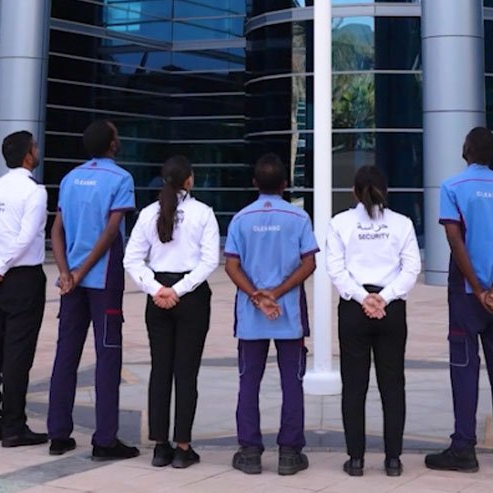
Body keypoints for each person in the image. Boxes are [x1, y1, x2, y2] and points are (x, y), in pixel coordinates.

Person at [426, 126, 493, 474]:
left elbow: (456, 242)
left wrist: (479, 289)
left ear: (465, 150)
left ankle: (463, 448)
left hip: (467, 296)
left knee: (465, 369)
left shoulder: (453, 187)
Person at [48, 119, 141, 461]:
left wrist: (65, 272)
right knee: (107, 358)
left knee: (66, 354)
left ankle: (58, 434)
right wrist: (81, 271)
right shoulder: (121, 179)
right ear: (112, 144)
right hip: (101, 281)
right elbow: (109, 233)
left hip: (71, 281)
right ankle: (105, 440)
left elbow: (56, 230)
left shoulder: (70, 178)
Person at [222, 153, 318, 477]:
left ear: (254, 184)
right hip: (288, 312)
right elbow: (309, 263)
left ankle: (249, 451)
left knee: (249, 381)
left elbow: (231, 265)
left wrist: (255, 295)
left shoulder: (240, 219)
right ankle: (289, 453)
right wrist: (276, 293)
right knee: (292, 382)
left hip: (251, 315)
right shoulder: (299, 218)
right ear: (285, 184)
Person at [125, 155, 221, 469]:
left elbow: (132, 260)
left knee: (160, 369)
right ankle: (182, 447)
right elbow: (209, 261)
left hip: (159, 295)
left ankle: (159, 446)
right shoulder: (202, 213)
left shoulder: (148, 213)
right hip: (190, 296)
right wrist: (178, 290)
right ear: (189, 180)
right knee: (186, 371)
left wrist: (157, 290)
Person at [325, 164, 420, 478]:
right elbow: (411, 269)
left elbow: (336, 270)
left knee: (354, 386)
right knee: (392, 385)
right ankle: (393, 460)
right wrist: (385, 297)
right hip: (390, 310)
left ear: (354, 191)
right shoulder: (402, 224)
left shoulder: (341, 223)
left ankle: (356, 460)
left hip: (355, 308)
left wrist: (362, 297)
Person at [0, 129, 50, 447]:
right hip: (22, 277)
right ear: (28, 155)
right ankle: (14, 425)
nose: (38, 150)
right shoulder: (34, 191)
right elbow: (27, 236)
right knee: (17, 354)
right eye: (35, 147)